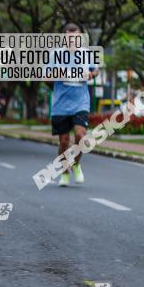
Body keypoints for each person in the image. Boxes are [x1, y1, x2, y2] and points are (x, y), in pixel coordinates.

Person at [48, 22, 99, 186]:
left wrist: (91, 74)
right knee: (64, 141)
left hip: (80, 103)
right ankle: (64, 173)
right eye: (70, 39)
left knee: (81, 136)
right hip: (60, 105)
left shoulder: (87, 54)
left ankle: (76, 163)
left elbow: (95, 70)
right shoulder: (55, 54)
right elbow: (46, 76)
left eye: (76, 39)